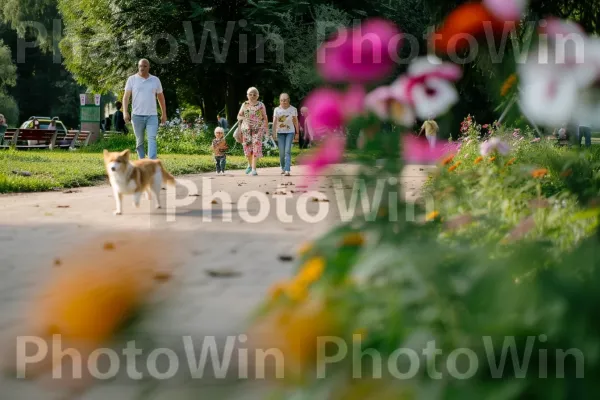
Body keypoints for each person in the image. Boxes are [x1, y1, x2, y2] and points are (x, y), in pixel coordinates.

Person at [122, 58, 167, 159]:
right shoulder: (132, 79)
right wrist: (125, 112)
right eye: (140, 66)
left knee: (152, 138)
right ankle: (142, 161)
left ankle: (151, 161)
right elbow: (126, 97)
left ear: (149, 67)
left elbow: (161, 98)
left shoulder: (155, 80)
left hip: (152, 115)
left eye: (144, 66)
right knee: (140, 140)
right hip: (137, 116)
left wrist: (164, 113)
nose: (142, 68)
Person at [237, 87, 268, 176]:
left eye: (254, 94)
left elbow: (265, 117)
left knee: (256, 146)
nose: (252, 96)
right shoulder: (244, 104)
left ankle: (254, 169)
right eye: (250, 94)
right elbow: (238, 116)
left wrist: (266, 130)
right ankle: (250, 165)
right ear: (247, 95)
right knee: (247, 147)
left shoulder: (261, 105)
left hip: (258, 129)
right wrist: (245, 118)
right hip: (246, 129)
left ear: (257, 96)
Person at [273, 93, 299, 176]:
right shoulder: (277, 110)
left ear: (288, 100)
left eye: (285, 100)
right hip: (280, 132)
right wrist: (274, 133)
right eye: (281, 100)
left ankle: (287, 169)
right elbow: (274, 122)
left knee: (287, 150)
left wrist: (297, 132)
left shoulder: (293, 109)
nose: (283, 102)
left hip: (290, 132)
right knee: (281, 152)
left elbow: (295, 121)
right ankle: (282, 167)